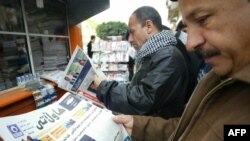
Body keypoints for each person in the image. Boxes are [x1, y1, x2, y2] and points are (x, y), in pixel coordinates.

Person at [113, 0, 250, 140]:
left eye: (203, 19)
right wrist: (139, 126)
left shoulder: (169, 56)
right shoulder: (216, 79)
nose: (190, 44)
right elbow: (190, 128)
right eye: (189, 27)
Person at [93, 6, 189, 119]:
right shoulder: (152, 54)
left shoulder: (168, 56)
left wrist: (104, 88)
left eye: (132, 32)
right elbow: (139, 87)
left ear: (148, 26)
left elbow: (144, 98)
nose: (130, 39)